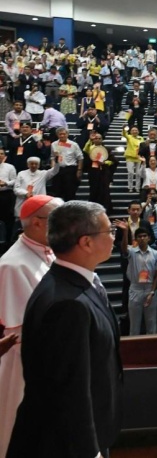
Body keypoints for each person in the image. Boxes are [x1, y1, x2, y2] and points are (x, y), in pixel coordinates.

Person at [8, 201, 123, 458]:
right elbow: (71, 390)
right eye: (110, 231)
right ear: (86, 242)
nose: (115, 237)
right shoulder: (68, 305)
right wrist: (88, 450)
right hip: (64, 445)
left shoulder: (69, 282)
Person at [0, 195, 62, 456]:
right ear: (37, 223)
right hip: (27, 368)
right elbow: (19, 332)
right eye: (58, 220)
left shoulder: (51, 252)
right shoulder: (12, 265)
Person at [114, 221, 157, 336]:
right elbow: (124, 248)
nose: (142, 238)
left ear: (149, 238)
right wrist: (125, 232)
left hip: (150, 289)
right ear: (136, 239)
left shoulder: (156, 254)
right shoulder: (132, 251)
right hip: (135, 289)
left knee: (151, 323)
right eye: (139, 236)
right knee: (134, 325)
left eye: (144, 236)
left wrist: (152, 292)